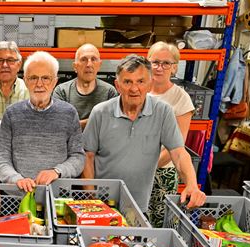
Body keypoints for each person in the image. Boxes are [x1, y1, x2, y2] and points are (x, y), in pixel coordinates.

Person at [82, 54, 205, 213]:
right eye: (127, 82)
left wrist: (192, 185)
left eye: (140, 81)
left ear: (150, 84)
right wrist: (93, 198)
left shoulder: (163, 112)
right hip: (102, 203)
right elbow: (87, 156)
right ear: (117, 85)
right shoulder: (100, 112)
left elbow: (179, 153)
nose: (134, 89)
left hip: (138, 205)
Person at [0, 51, 85, 192]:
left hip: (57, 197)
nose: (39, 84)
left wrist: (57, 171)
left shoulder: (69, 113)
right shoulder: (12, 114)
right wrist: (16, 179)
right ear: (25, 80)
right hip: (17, 197)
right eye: (33, 78)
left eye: (46, 78)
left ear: (55, 81)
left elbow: (78, 157)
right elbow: (1, 159)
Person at [147, 42, 196, 227]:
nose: (159, 67)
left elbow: (177, 144)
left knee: (158, 224)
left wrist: (149, 167)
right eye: (155, 62)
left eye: (166, 63)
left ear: (174, 67)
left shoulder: (181, 98)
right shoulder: (139, 91)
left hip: (162, 172)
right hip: (134, 168)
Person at [54, 43, 117, 129]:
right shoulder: (61, 91)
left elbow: (111, 126)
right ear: (75, 66)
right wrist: (97, 120)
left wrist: (75, 124)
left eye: (93, 59)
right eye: (83, 59)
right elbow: (59, 126)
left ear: (99, 65)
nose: (89, 64)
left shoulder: (109, 92)